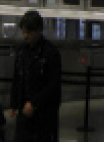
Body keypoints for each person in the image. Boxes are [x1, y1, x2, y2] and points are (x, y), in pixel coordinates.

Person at [10, 10, 61, 142]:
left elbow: (53, 84)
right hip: (24, 110)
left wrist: (34, 102)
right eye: (24, 32)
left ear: (38, 31)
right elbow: (17, 78)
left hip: (44, 112)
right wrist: (14, 103)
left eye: (29, 32)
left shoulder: (50, 53)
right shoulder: (21, 51)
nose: (25, 36)